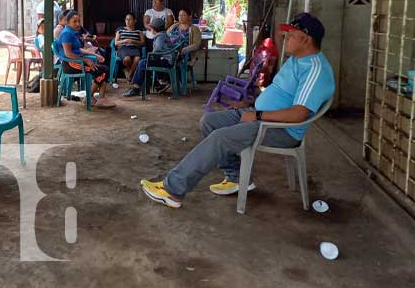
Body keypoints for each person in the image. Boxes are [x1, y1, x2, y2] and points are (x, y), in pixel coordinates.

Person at [140, 13, 335, 208]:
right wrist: (253, 102)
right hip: (261, 115)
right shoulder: (296, 60)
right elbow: (279, 95)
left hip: (281, 129)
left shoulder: (315, 69)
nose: (286, 37)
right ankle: (236, 177)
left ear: (306, 39)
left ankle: (172, 190)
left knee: (220, 138)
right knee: (209, 121)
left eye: (292, 34)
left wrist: (256, 114)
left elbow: (298, 114)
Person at [59, 10, 115, 109]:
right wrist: (85, 60)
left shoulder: (73, 32)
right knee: (103, 71)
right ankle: (90, 97)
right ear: (67, 22)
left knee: (104, 69)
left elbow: (77, 49)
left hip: (77, 61)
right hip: (71, 64)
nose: (77, 24)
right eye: (74, 21)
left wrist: (92, 53)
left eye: (78, 21)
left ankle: (98, 98)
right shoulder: (66, 34)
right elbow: (68, 53)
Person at [122, 18, 176, 97]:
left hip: (166, 61)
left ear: (155, 29)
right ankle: (158, 85)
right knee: (145, 62)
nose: (150, 30)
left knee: (142, 63)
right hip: (167, 60)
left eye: (151, 28)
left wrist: (151, 55)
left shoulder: (160, 36)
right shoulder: (163, 34)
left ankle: (136, 88)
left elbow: (157, 48)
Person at [114, 13, 145, 82]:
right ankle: (130, 73)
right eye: (126, 19)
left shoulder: (139, 30)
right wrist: (125, 41)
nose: (127, 21)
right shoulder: (120, 29)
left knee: (137, 59)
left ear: (135, 21)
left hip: (135, 48)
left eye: (130, 19)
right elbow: (116, 43)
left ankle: (129, 74)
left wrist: (133, 41)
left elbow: (142, 43)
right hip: (123, 48)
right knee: (127, 59)